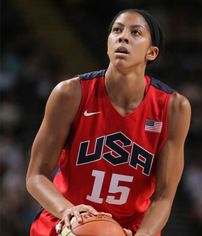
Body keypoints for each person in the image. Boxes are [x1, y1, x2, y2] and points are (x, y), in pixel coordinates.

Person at [26, 8, 191, 236]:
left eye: (135, 33)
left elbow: (164, 196)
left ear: (151, 53)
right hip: (67, 218)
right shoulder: (70, 93)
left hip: (130, 228)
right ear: (108, 44)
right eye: (116, 30)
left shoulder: (174, 108)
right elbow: (36, 176)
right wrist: (68, 210)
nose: (123, 36)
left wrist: (144, 234)